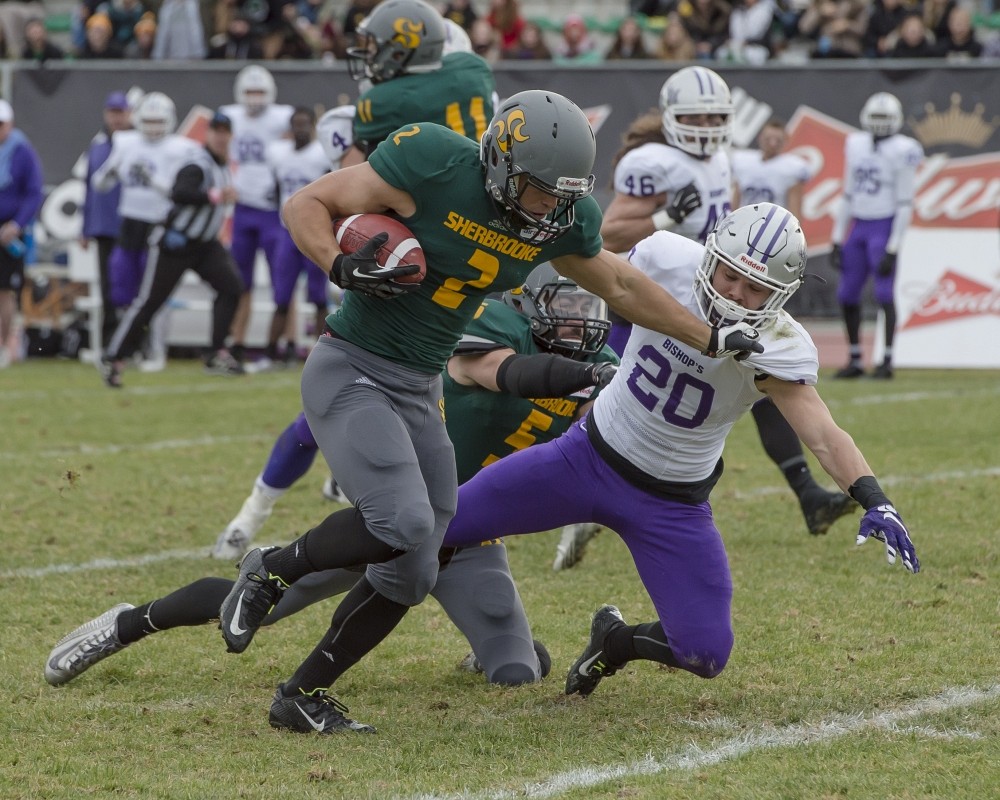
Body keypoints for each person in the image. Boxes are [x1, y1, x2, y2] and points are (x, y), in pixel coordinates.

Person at [213, 88, 762, 734]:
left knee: (415, 567)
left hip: (420, 388)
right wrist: (338, 263)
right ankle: (271, 569)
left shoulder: (557, 214)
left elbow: (618, 283)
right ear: (500, 164)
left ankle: (299, 695)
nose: (552, 208)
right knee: (405, 519)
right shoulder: (433, 163)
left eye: (565, 194)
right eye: (539, 191)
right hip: (354, 365)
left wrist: (710, 335)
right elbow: (306, 203)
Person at [46, 266, 619, 690]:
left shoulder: (598, 373)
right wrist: (582, 375)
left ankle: (481, 635)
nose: (580, 319)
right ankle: (127, 623)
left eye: (588, 307)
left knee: (518, 671)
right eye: (566, 302)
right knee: (263, 608)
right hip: (397, 513)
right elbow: (501, 373)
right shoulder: (498, 332)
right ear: (527, 302)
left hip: (467, 535)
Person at [441, 202, 920, 704]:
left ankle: (614, 641)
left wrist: (873, 498)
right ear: (710, 255)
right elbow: (593, 267)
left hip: (672, 504)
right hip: (585, 460)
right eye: (729, 274)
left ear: (780, 294)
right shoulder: (668, 259)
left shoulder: (779, 344)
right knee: (432, 527)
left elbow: (822, 432)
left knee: (705, 651)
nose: (735, 291)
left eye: (754, 287)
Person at [600, 67, 854, 539]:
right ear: (672, 116)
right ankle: (583, 496)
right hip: (661, 293)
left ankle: (808, 493)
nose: (706, 126)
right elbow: (607, 234)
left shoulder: (720, 160)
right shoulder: (654, 161)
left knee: (763, 380)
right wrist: (665, 215)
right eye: (696, 116)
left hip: (722, 294)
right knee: (609, 394)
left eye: (716, 115)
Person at [101, 112, 245, 388]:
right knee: (150, 302)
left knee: (231, 287)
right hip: (175, 242)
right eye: (216, 131)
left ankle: (215, 352)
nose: (220, 136)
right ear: (209, 134)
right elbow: (179, 192)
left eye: (225, 131)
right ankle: (113, 357)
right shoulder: (197, 163)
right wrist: (214, 196)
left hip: (204, 244)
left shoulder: (223, 164)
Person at [91, 92, 202, 386]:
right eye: (149, 121)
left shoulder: (181, 149)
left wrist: (152, 181)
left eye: (159, 121)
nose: (153, 127)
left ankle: (156, 350)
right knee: (123, 291)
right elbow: (99, 183)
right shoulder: (125, 142)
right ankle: (129, 350)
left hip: (159, 224)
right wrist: (111, 171)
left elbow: (177, 192)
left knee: (153, 293)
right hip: (129, 224)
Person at [830, 92, 923, 380]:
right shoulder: (855, 143)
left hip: (883, 226)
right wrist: (837, 237)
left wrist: (893, 247)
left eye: (885, 117)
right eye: (876, 117)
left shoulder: (904, 148)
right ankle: (855, 359)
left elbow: (905, 202)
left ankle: (887, 361)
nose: (880, 123)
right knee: (846, 294)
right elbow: (847, 193)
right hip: (858, 226)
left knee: (884, 294)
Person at [219, 65, 294, 366]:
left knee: (283, 282)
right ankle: (238, 342)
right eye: (249, 91)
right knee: (241, 282)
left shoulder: (282, 117)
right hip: (243, 208)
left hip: (273, 211)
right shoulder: (230, 117)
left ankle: (286, 342)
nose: (254, 98)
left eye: (259, 91)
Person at [258, 106, 334, 369]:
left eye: (304, 124)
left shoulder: (321, 156)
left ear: (313, 126)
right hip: (287, 233)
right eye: (296, 124)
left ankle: (322, 357)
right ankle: (269, 353)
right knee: (281, 296)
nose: (300, 130)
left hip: (313, 232)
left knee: (318, 296)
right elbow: (278, 192)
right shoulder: (279, 155)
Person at [79, 91, 132, 353]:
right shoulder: (98, 146)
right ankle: (110, 344)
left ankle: (133, 343)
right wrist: (85, 228)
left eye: (120, 112)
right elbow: (89, 189)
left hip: (132, 227)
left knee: (131, 286)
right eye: (112, 112)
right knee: (107, 288)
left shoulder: (136, 144)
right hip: (104, 227)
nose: (116, 118)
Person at [0, 98, 43, 369]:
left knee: (5, 292)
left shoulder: (21, 151)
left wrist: (16, 223)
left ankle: (4, 346)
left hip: (9, 232)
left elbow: (33, 192)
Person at [731, 117, 816, 219]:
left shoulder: (792, 169)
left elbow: (795, 210)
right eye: (768, 139)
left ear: (786, 140)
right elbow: (736, 199)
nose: (772, 144)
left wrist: (794, 232)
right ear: (760, 137)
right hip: (743, 222)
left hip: (772, 227)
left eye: (778, 140)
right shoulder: (743, 161)